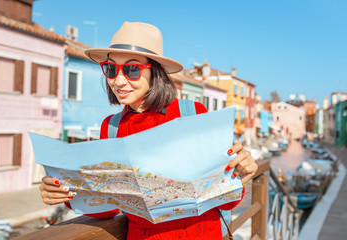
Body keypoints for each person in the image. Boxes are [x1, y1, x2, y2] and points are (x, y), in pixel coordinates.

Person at [39, 22, 258, 239]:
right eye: (111, 68)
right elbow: (109, 207)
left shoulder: (194, 113)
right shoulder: (112, 127)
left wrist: (239, 175)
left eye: (132, 69)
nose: (118, 80)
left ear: (155, 72)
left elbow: (228, 200)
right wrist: (67, 192)